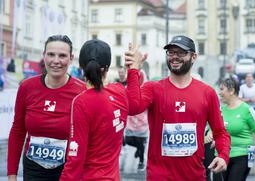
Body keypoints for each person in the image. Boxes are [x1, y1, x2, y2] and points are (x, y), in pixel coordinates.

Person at [124, 35, 231, 180]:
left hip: (194, 176)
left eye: (181, 53)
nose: (175, 57)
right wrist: (133, 71)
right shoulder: (153, 88)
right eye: (171, 52)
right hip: (159, 176)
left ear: (193, 57)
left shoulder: (207, 93)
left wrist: (223, 156)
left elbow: (220, 132)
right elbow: (132, 108)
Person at [60, 39, 143, 180]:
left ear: (81, 66)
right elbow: (135, 105)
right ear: (108, 67)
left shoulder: (81, 101)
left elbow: (76, 157)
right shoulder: (119, 91)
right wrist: (133, 69)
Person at [7, 35, 86, 181]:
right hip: (33, 170)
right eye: (51, 54)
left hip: (68, 171)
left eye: (62, 56)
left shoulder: (82, 91)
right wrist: (12, 175)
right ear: (43, 56)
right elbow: (18, 131)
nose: (56, 61)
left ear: (71, 58)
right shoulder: (27, 87)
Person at [214, 77, 255, 181]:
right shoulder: (220, 110)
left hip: (243, 154)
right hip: (222, 155)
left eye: (222, 89)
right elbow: (212, 128)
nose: (219, 93)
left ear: (231, 90)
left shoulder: (247, 110)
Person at [124, 70, 149, 171]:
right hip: (131, 122)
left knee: (141, 143)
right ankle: (138, 150)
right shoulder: (128, 89)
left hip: (142, 124)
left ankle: (141, 161)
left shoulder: (146, 90)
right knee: (128, 140)